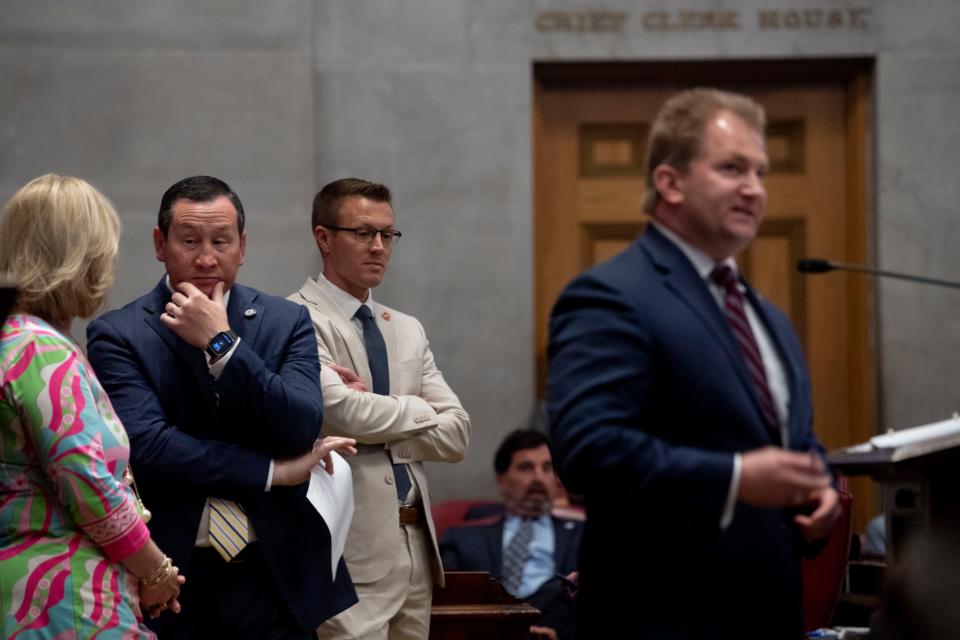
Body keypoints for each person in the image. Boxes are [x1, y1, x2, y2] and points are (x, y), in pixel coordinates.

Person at [547, 88, 841, 638]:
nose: (754, 189)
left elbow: (787, 439)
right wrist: (733, 478)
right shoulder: (612, 295)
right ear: (670, 182)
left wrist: (817, 484)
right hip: (661, 617)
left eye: (760, 172)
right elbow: (587, 451)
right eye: (732, 168)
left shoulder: (766, 316)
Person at [86, 175, 358, 639]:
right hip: (172, 575)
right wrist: (272, 472)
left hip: (277, 573)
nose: (207, 258)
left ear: (243, 246)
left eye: (221, 241)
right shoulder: (118, 332)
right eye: (190, 241)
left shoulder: (285, 319)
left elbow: (299, 426)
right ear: (160, 243)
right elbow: (150, 445)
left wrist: (223, 345)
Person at [0, 174, 183, 638]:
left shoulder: (13, 339)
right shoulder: (40, 348)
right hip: (64, 597)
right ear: (79, 257)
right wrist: (155, 570)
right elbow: (85, 480)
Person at [288, 177, 470, 639]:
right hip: (351, 551)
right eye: (363, 233)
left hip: (416, 548)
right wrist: (415, 408)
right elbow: (341, 414)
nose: (378, 247)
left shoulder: (406, 328)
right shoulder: (294, 318)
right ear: (324, 238)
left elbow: (458, 435)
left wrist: (381, 412)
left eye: (387, 235)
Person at [439, 429, 581, 640]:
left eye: (547, 467)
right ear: (501, 479)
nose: (538, 477)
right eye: (526, 468)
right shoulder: (462, 537)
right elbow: (444, 590)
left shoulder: (583, 533)